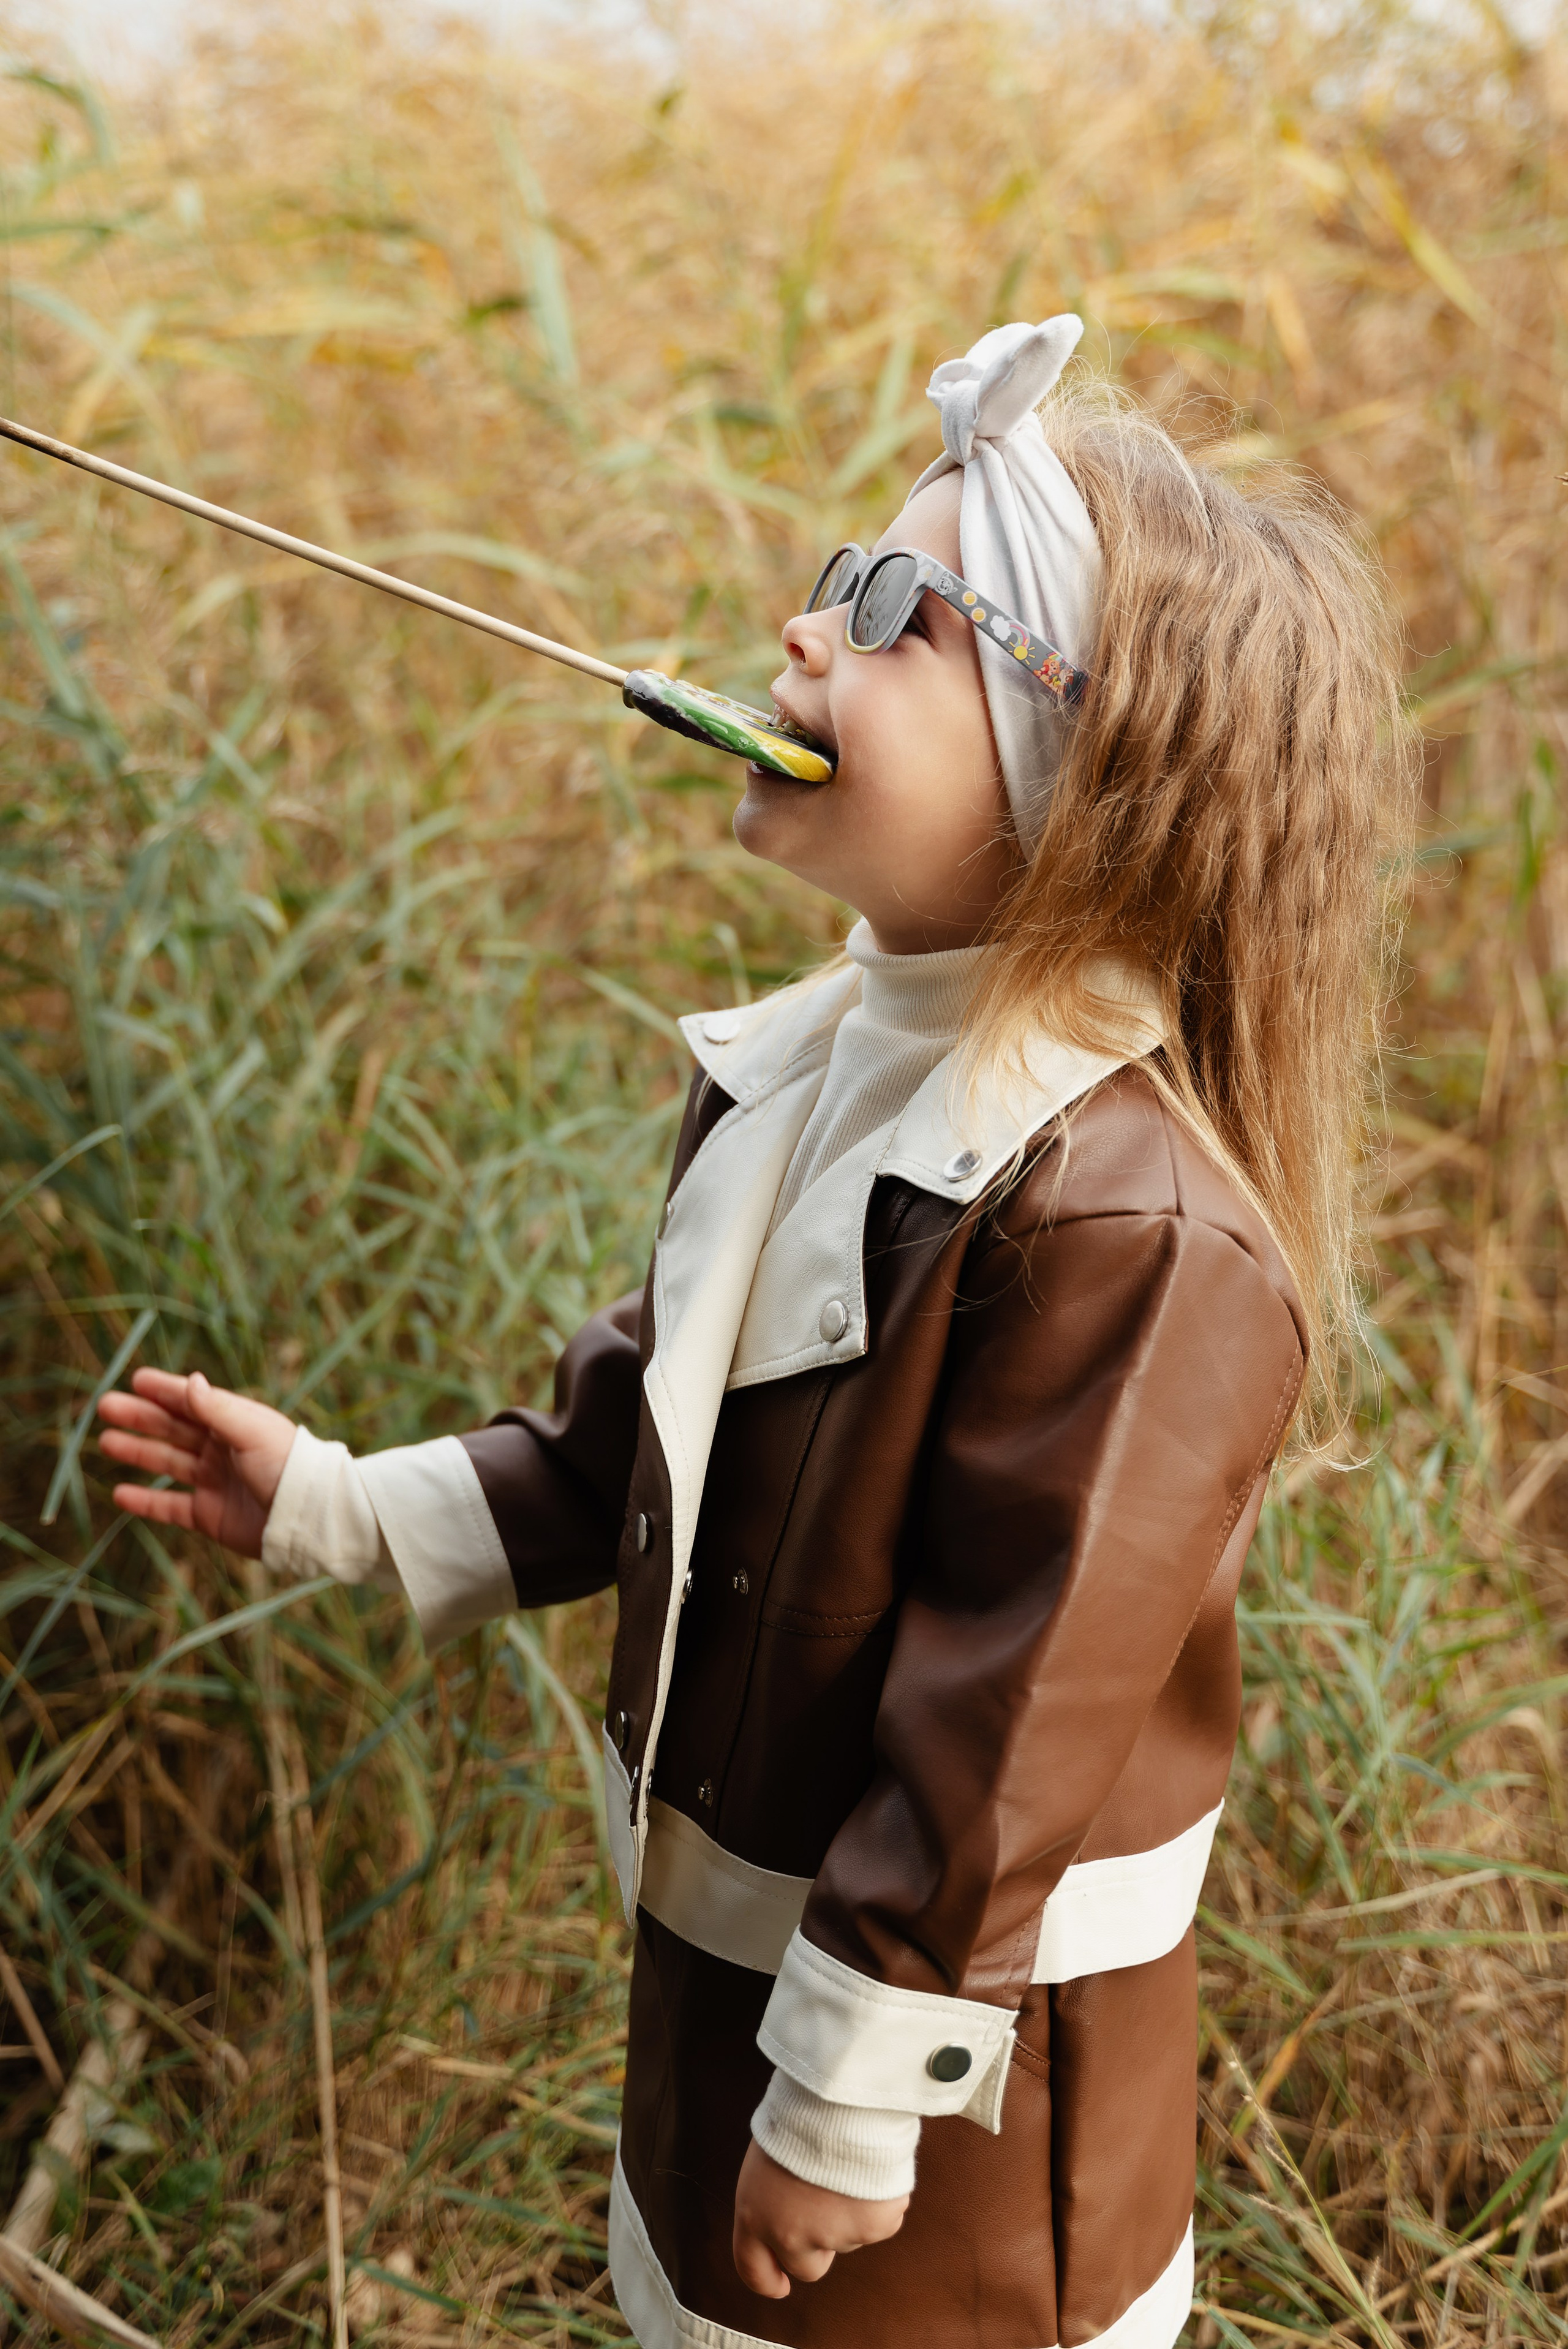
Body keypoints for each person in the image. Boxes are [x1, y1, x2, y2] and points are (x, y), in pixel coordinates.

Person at [99, 318, 1410, 2349]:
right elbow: (650, 1428)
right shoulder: (813, 1070)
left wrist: (850, 2099)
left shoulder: (1123, 1220)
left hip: (958, 2127)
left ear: (1090, 771)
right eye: (834, 577)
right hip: (725, 2008)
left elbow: (1005, 1729)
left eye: (898, 615)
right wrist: (339, 1501)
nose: (805, 631)